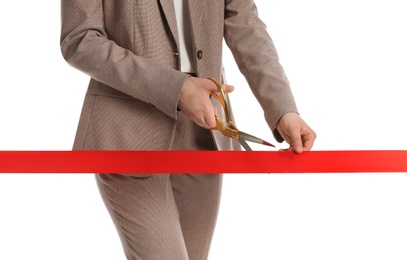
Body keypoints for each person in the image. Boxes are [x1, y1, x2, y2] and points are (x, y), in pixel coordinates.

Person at [60, 0, 316, 259]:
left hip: (204, 131)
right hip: (128, 132)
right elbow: (80, 40)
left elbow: (246, 26)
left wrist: (283, 108)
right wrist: (176, 89)